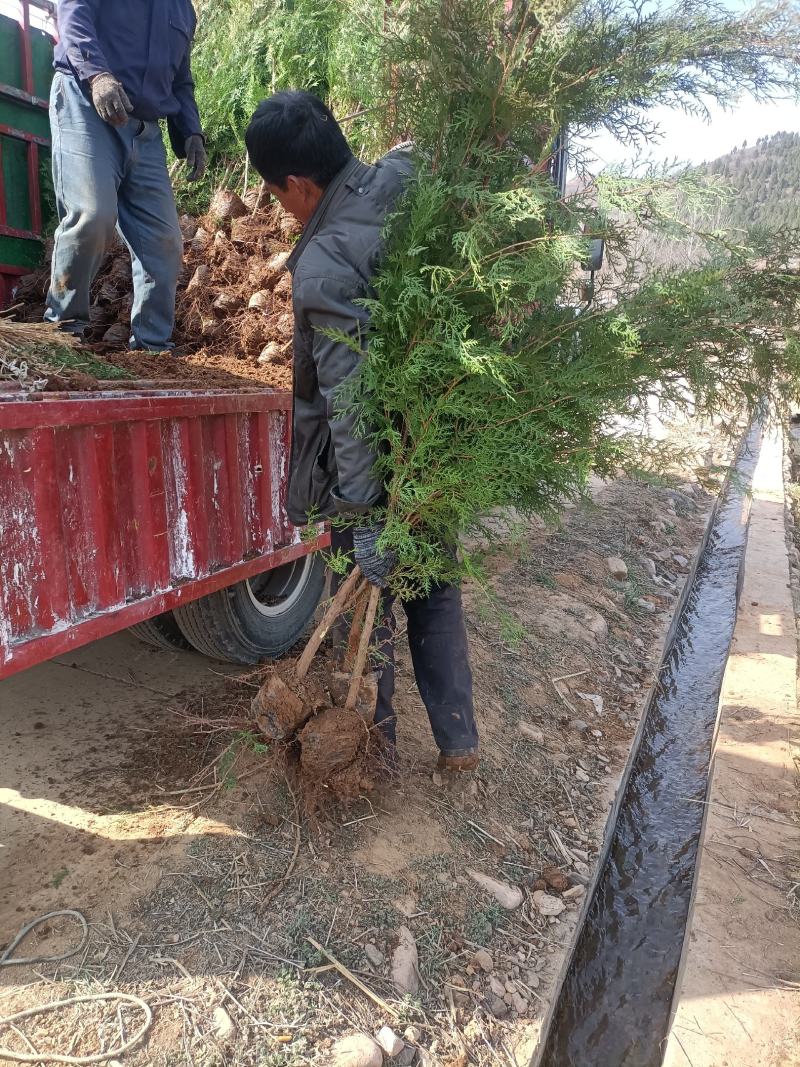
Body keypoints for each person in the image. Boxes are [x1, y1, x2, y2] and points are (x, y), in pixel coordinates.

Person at [244, 90, 479, 772]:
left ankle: (374, 759)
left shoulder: (325, 265)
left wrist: (365, 512)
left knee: (367, 612)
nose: (283, 208)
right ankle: (458, 745)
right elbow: (425, 158)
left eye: (277, 194)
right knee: (433, 590)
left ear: (297, 183)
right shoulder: (401, 184)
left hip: (370, 473)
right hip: (432, 445)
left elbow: (349, 403)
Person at [44, 0, 208, 351]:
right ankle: (62, 334)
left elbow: (181, 78)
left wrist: (191, 131)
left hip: (146, 132)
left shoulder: (182, 10)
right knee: (93, 215)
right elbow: (72, 13)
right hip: (87, 104)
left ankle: (151, 347)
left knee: (164, 242)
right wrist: (97, 75)